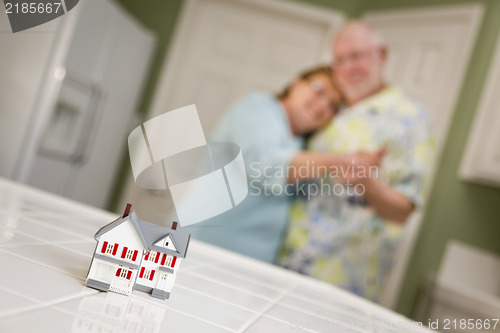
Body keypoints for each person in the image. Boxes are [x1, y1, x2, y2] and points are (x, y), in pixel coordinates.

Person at [278, 21, 436, 302]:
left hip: (340, 285)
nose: (347, 68)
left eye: (356, 56)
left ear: (382, 55)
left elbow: (403, 211)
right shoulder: (329, 108)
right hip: (283, 264)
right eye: (339, 60)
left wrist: (366, 182)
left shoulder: (410, 119)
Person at [185, 66, 344, 263]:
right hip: (200, 248)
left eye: (333, 106)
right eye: (319, 90)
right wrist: (339, 161)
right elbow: (262, 164)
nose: (322, 106)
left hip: (249, 264)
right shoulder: (258, 108)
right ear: (295, 83)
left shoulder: (302, 145)